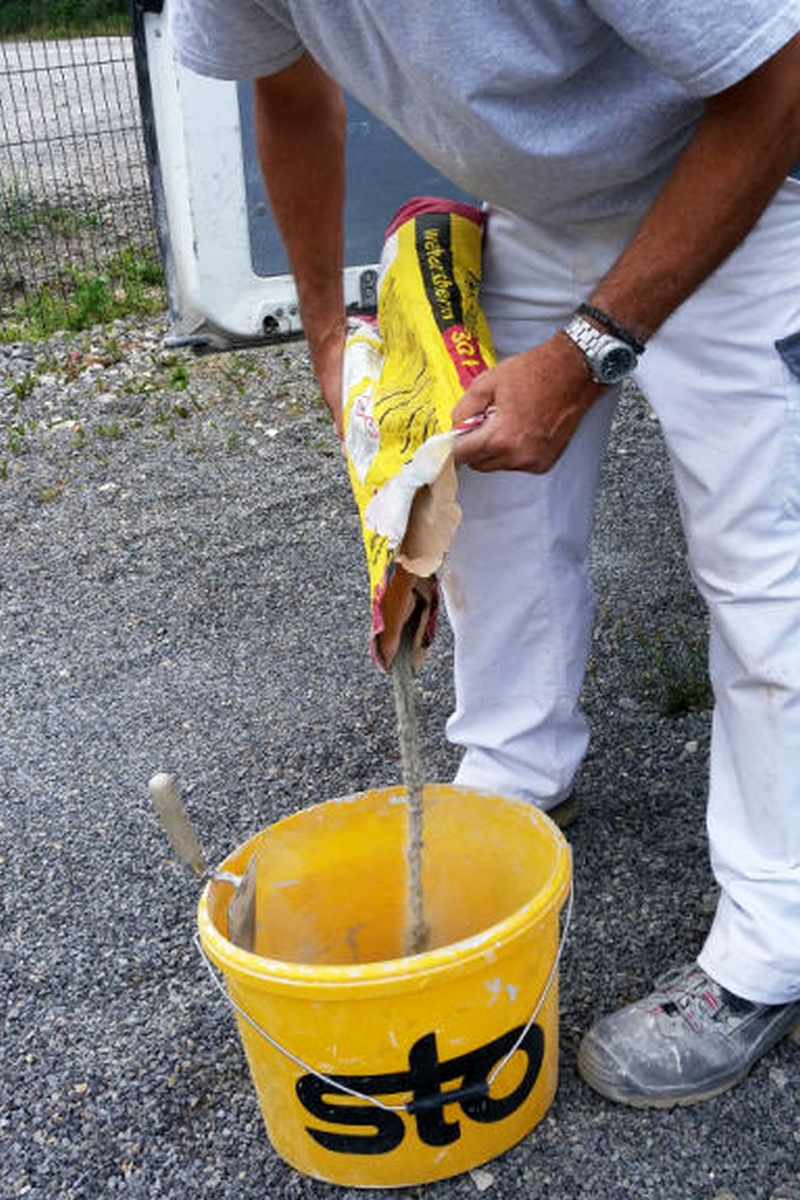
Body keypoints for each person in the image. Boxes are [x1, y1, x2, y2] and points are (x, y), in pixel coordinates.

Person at [169, 1, 800, 1108]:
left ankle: (769, 944)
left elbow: (778, 77)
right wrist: (327, 337)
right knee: (478, 509)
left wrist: (585, 354)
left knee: (763, 579)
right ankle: (514, 779)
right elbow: (287, 88)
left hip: (750, 184)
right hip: (543, 213)